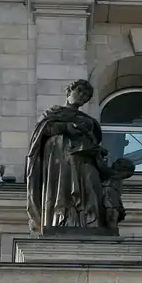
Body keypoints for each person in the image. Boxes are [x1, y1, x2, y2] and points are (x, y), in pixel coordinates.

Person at [26, 80, 106, 233]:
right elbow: (42, 131)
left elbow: (93, 139)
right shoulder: (53, 112)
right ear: (70, 91)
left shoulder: (88, 120)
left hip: (83, 159)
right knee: (62, 189)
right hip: (59, 160)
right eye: (80, 91)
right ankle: (60, 220)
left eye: (86, 96)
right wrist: (65, 127)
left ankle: (85, 220)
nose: (82, 96)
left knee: (89, 183)